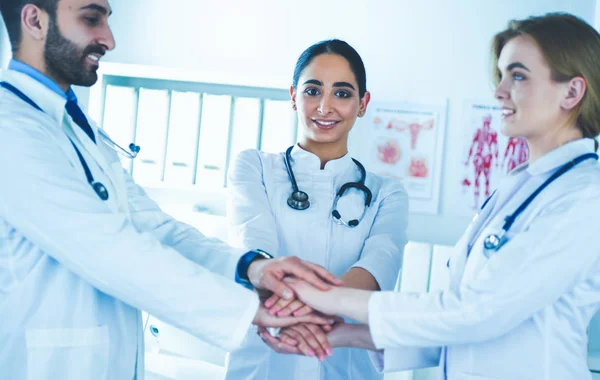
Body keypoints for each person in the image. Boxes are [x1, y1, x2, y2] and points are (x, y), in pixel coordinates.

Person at [0, 1, 342, 379]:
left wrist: (253, 268)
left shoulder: (77, 128)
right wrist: (250, 311)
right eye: (91, 19)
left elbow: (156, 228)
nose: (109, 39)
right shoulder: (10, 129)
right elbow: (106, 248)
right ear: (34, 20)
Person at [261, 13, 600, 380]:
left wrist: (319, 296)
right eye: (500, 75)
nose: (499, 91)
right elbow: (467, 328)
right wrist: (347, 334)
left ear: (572, 91)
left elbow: (476, 311)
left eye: (517, 76)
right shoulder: (521, 186)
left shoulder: (584, 196)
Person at [224, 39, 408, 380]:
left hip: (346, 365)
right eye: (312, 91)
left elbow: (378, 265)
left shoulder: (387, 193)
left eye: (342, 93)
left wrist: (301, 310)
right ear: (293, 96)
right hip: (264, 360)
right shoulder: (254, 168)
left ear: (363, 103)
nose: (325, 107)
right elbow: (254, 249)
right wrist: (320, 306)